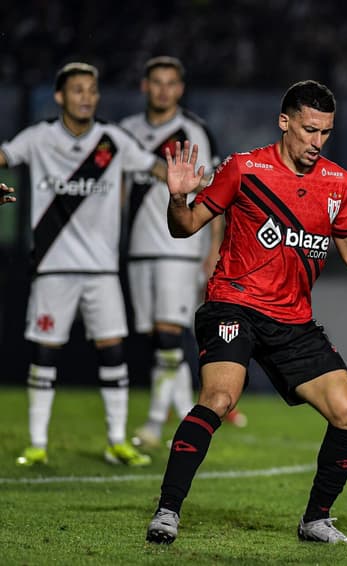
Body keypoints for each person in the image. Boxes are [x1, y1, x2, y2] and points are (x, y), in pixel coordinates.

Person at [144, 79, 347, 546]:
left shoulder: (336, 181)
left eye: (325, 132)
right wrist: (178, 197)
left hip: (293, 321)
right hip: (234, 304)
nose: (317, 142)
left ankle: (315, 519)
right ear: (285, 123)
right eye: (309, 130)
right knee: (220, 398)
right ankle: (167, 511)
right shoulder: (244, 169)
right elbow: (184, 229)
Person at [0, 62, 167, 467]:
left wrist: (194, 182)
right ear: (60, 96)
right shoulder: (40, 137)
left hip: (102, 271)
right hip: (53, 267)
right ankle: (37, 444)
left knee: (113, 353)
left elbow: (157, 168)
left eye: (92, 89)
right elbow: (4, 156)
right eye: (78, 90)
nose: (86, 97)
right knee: (46, 353)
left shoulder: (112, 140)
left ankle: (116, 441)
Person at [119, 56, 244, 449]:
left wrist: (212, 250)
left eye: (171, 83)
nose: (163, 90)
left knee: (171, 336)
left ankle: (156, 424)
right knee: (160, 339)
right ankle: (187, 408)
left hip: (179, 251)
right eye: (156, 82)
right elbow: (121, 193)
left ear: (180, 88)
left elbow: (212, 194)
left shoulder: (192, 131)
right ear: (145, 86)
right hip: (139, 250)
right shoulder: (126, 132)